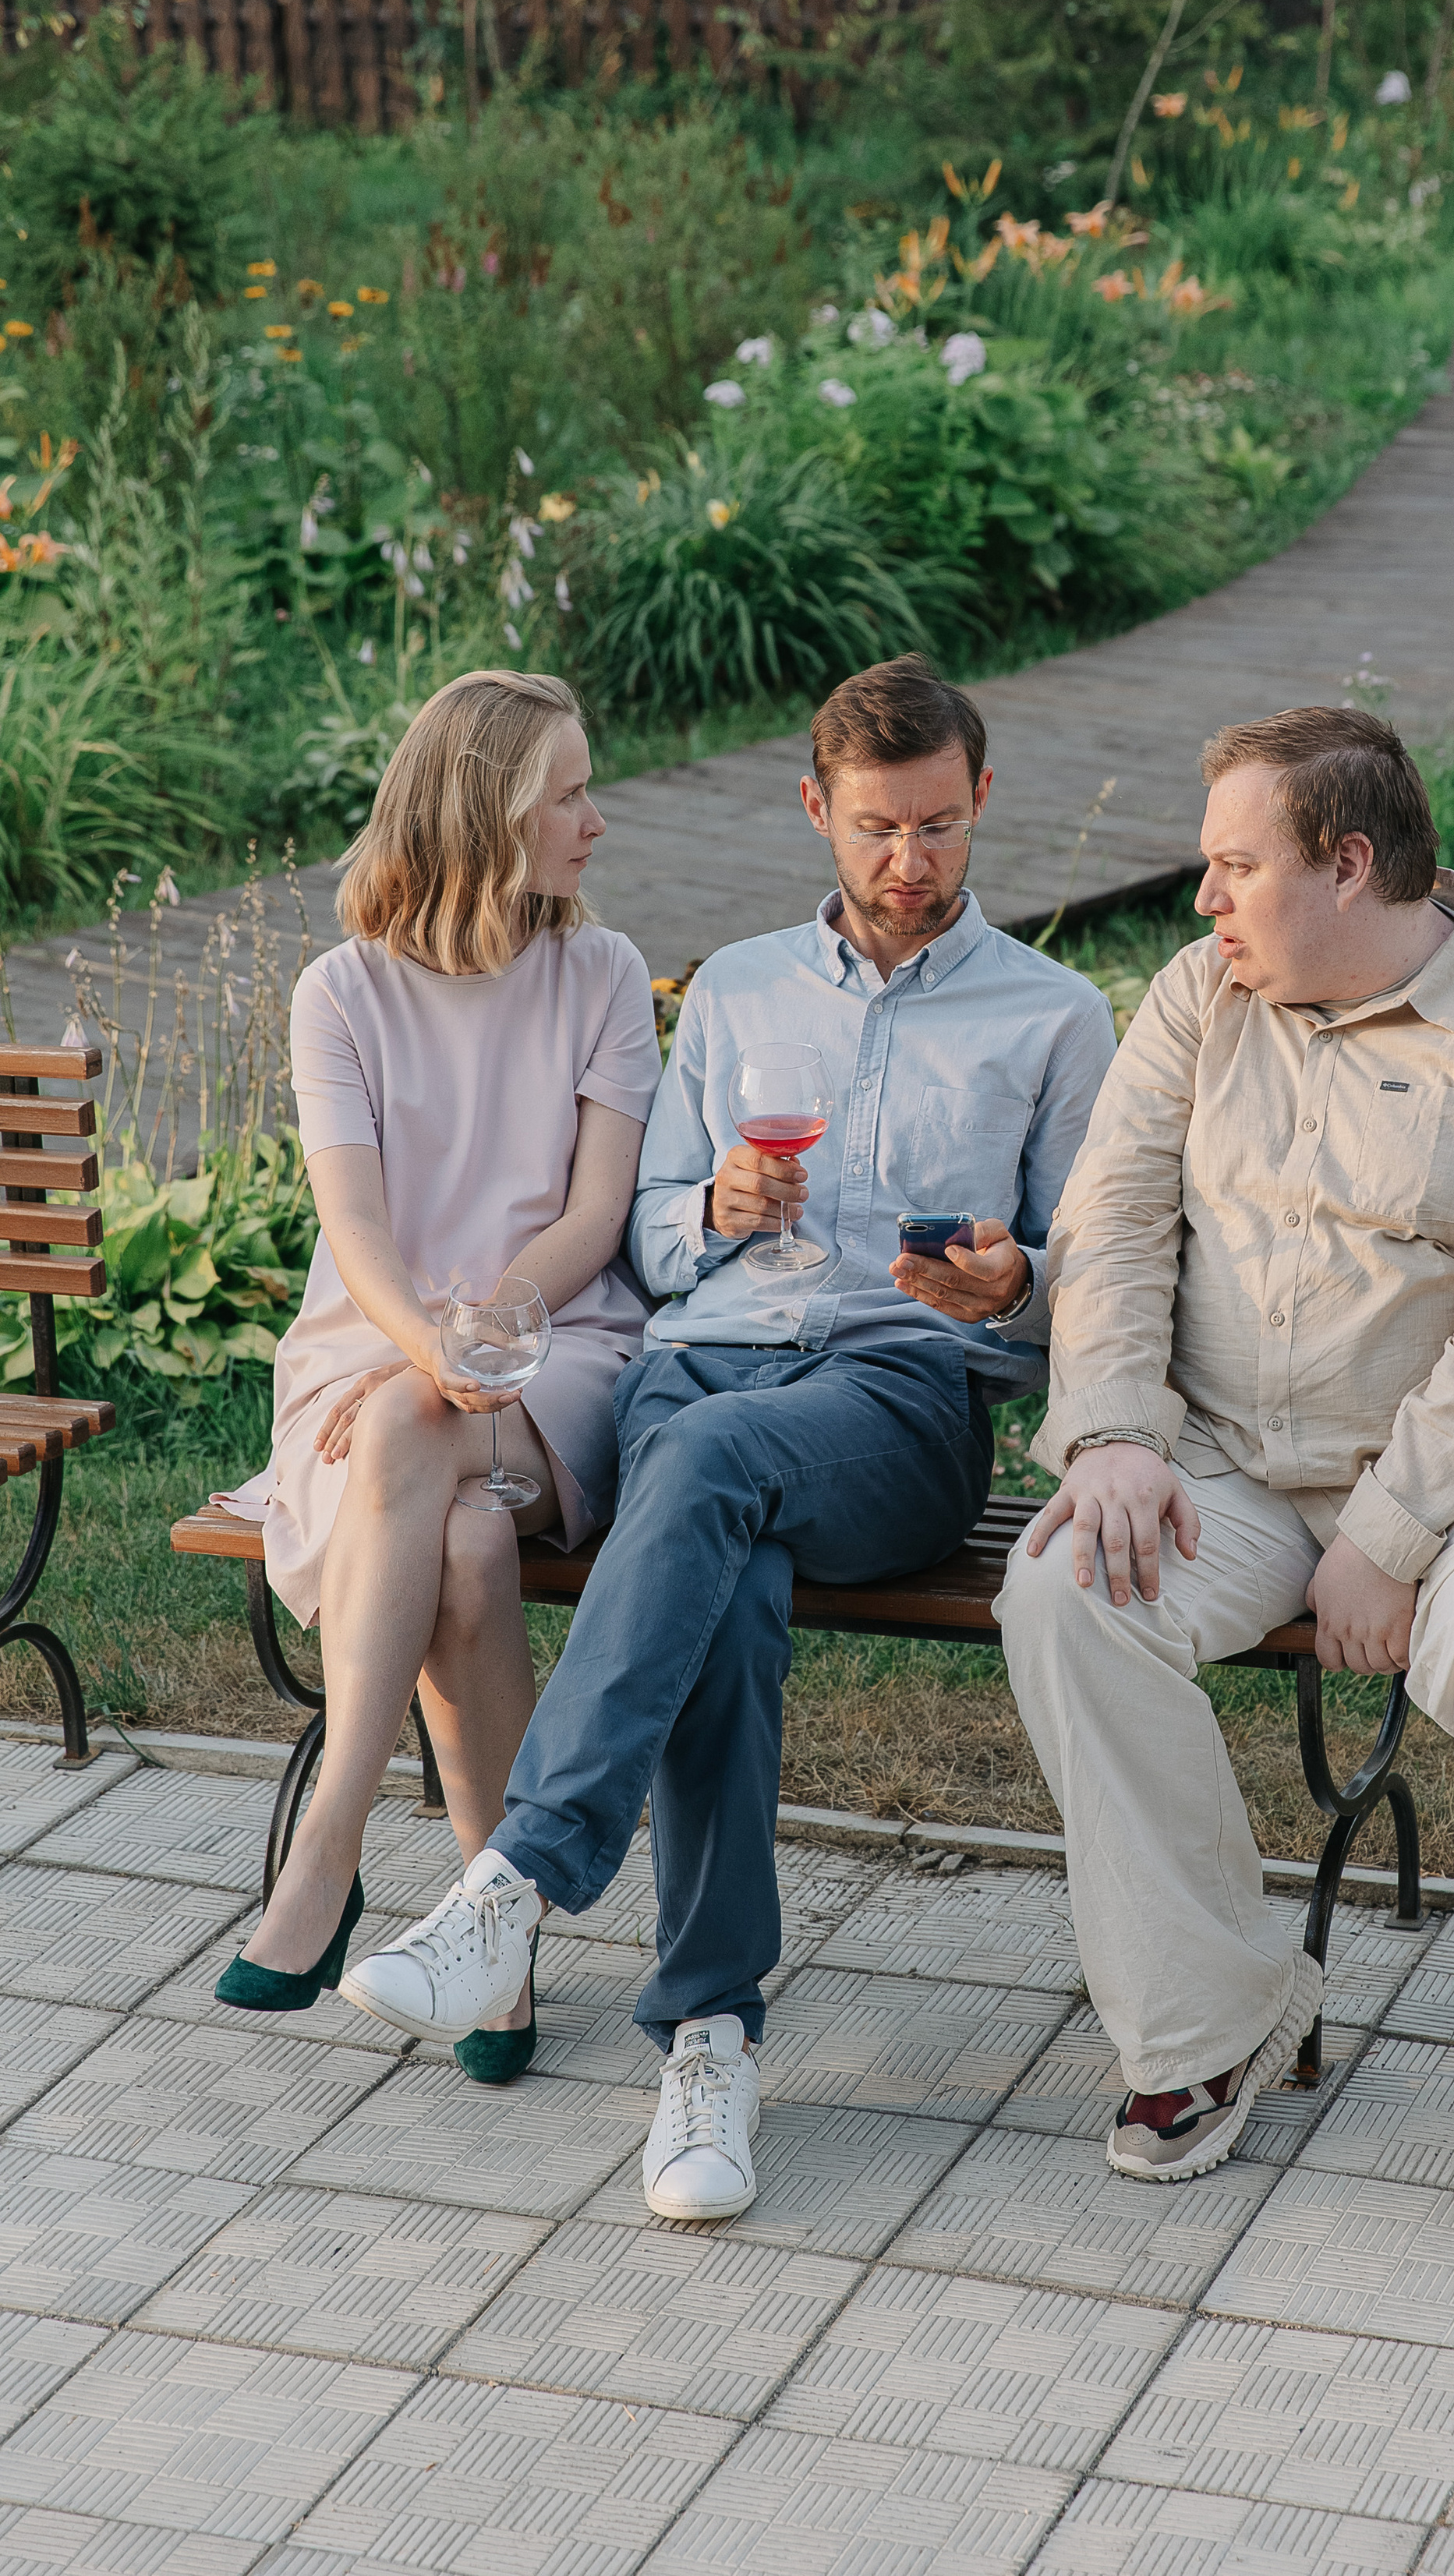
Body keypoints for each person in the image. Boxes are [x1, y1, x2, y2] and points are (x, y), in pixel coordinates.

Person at [339, 652, 1118, 2216]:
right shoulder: (741, 988)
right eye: (879, 830)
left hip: (893, 1402)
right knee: (725, 1583)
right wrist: (709, 1212)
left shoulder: (1052, 1018)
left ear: (981, 808)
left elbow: (1094, 1288)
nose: (911, 866)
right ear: (816, 811)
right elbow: (642, 1236)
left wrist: (1007, 1284)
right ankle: (706, 2043)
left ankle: (519, 1878)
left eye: (942, 830)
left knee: (700, 1481)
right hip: (702, 1367)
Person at [994, 705, 1454, 2280]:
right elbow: (1113, 1227)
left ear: (1345, 865)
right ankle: (1217, 2019)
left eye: (1231, 867)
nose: (1199, 903)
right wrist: (1115, 1432)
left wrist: (1390, 1537)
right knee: (1065, 1596)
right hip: (1218, 1466)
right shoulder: (1201, 999)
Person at [211, 670, 657, 2082]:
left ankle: (331, 1839)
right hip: (383, 1344)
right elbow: (357, 1229)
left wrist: (489, 1335)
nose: (597, 819)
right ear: (485, 811)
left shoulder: (601, 975)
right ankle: (495, 1945)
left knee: (420, 1429)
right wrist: (429, 1346)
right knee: (463, 1541)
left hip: (565, 1350)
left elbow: (592, 1221)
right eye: (568, 794)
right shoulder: (340, 992)